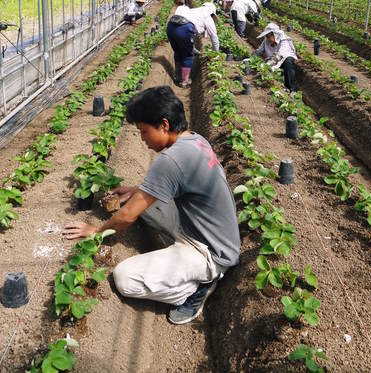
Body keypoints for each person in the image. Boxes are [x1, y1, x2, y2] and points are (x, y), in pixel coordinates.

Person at [63, 86, 240, 325]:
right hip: (215, 232)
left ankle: (194, 290)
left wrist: (96, 231)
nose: (142, 139)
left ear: (164, 125)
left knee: (124, 278)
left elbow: (126, 217)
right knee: (144, 203)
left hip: (210, 252)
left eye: (144, 132)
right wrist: (138, 191)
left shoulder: (170, 161)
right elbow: (176, 183)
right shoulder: (195, 139)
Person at [167, 0, 219, 87]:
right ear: (212, 13)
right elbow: (214, 38)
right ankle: (185, 81)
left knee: (178, 52)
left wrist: (194, 50)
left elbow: (186, 42)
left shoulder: (194, 11)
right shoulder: (207, 17)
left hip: (171, 26)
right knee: (188, 56)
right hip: (184, 28)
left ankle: (178, 77)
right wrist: (216, 54)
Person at [254, 22, 298, 92]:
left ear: (275, 35)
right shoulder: (266, 40)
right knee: (268, 65)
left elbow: (279, 55)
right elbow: (260, 50)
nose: (267, 38)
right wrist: (252, 58)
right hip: (273, 59)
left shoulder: (284, 40)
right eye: (266, 36)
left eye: (268, 36)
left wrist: (267, 66)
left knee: (288, 63)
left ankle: (291, 88)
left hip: (284, 58)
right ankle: (276, 80)